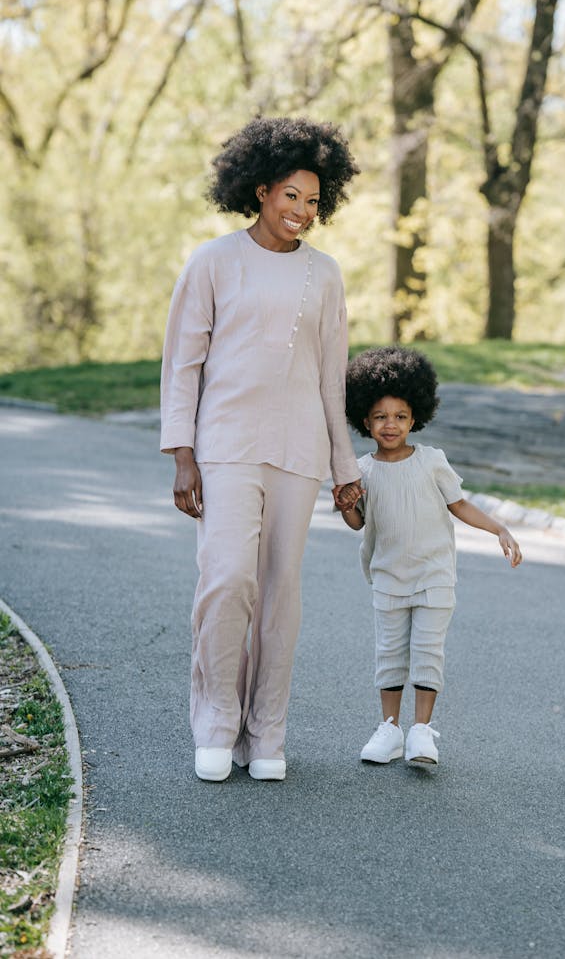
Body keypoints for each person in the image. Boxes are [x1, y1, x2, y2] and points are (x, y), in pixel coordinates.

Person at [160, 115, 363, 783]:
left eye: (313, 200)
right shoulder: (212, 261)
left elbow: (332, 379)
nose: (302, 211)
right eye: (290, 196)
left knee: (281, 592)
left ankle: (266, 731)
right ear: (260, 190)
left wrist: (345, 471)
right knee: (227, 581)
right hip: (223, 447)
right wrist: (181, 451)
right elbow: (182, 363)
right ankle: (217, 721)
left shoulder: (325, 275)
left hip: (299, 451)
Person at [338, 346, 522, 768]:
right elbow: (356, 523)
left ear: (415, 417)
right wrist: (345, 500)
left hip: (435, 575)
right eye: (381, 416)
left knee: (427, 650)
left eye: (401, 416)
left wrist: (500, 529)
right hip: (386, 575)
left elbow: (460, 505)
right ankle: (389, 730)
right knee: (389, 653)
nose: (391, 425)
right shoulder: (362, 470)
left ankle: (421, 732)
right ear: (364, 419)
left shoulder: (432, 461)